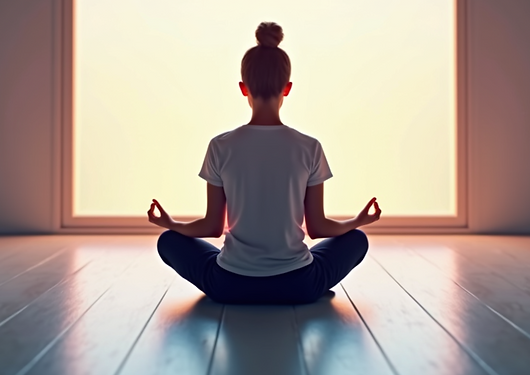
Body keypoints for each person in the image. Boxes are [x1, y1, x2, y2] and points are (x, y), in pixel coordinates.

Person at [147, 21, 382, 305]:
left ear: (243, 88)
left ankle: (239, 280)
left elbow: (212, 226)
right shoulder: (309, 147)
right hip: (299, 285)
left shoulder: (221, 146)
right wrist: (359, 221)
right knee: (357, 239)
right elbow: (318, 227)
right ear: (288, 88)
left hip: (229, 285)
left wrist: (170, 223)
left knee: (169, 241)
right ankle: (304, 286)